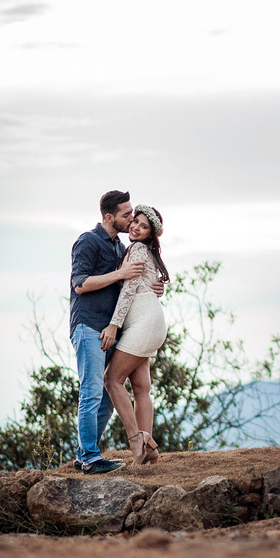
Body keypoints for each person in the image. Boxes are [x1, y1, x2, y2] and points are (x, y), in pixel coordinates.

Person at [69, 190, 164, 474]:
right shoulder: (88, 241)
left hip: (117, 329)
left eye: (137, 218)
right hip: (90, 325)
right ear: (110, 217)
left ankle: (89, 454)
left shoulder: (120, 247)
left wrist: (156, 285)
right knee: (94, 391)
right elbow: (80, 284)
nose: (132, 220)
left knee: (110, 392)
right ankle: (90, 456)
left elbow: (136, 283)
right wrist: (120, 275)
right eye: (128, 215)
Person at [97, 204, 171, 465]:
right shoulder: (145, 251)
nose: (136, 228)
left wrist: (113, 325)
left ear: (151, 234)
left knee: (112, 380)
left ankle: (136, 441)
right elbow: (148, 284)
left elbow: (129, 291)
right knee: (141, 388)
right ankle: (149, 450)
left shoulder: (138, 249)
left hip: (143, 324)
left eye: (144, 226)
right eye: (135, 222)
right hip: (150, 323)